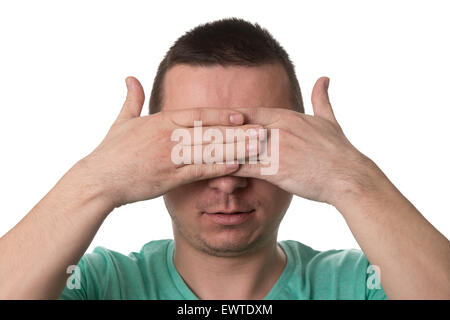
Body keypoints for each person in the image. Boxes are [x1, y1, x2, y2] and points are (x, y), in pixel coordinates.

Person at [0, 18, 449, 300]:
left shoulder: (363, 283)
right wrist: (97, 179)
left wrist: (352, 179)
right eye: (195, 149)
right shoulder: (96, 283)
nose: (228, 182)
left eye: (258, 149)